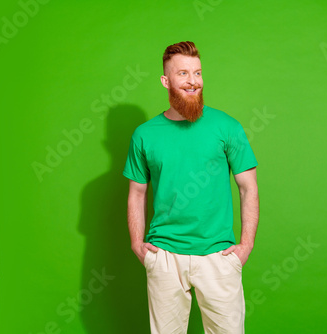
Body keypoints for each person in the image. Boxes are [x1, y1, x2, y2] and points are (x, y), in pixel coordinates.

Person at [123, 41, 259, 333]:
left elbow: (249, 188)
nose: (192, 81)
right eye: (183, 73)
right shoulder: (144, 135)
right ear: (166, 80)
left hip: (218, 257)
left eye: (197, 73)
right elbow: (136, 193)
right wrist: (138, 245)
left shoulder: (227, 127)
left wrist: (245, 246)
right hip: (165, 257)